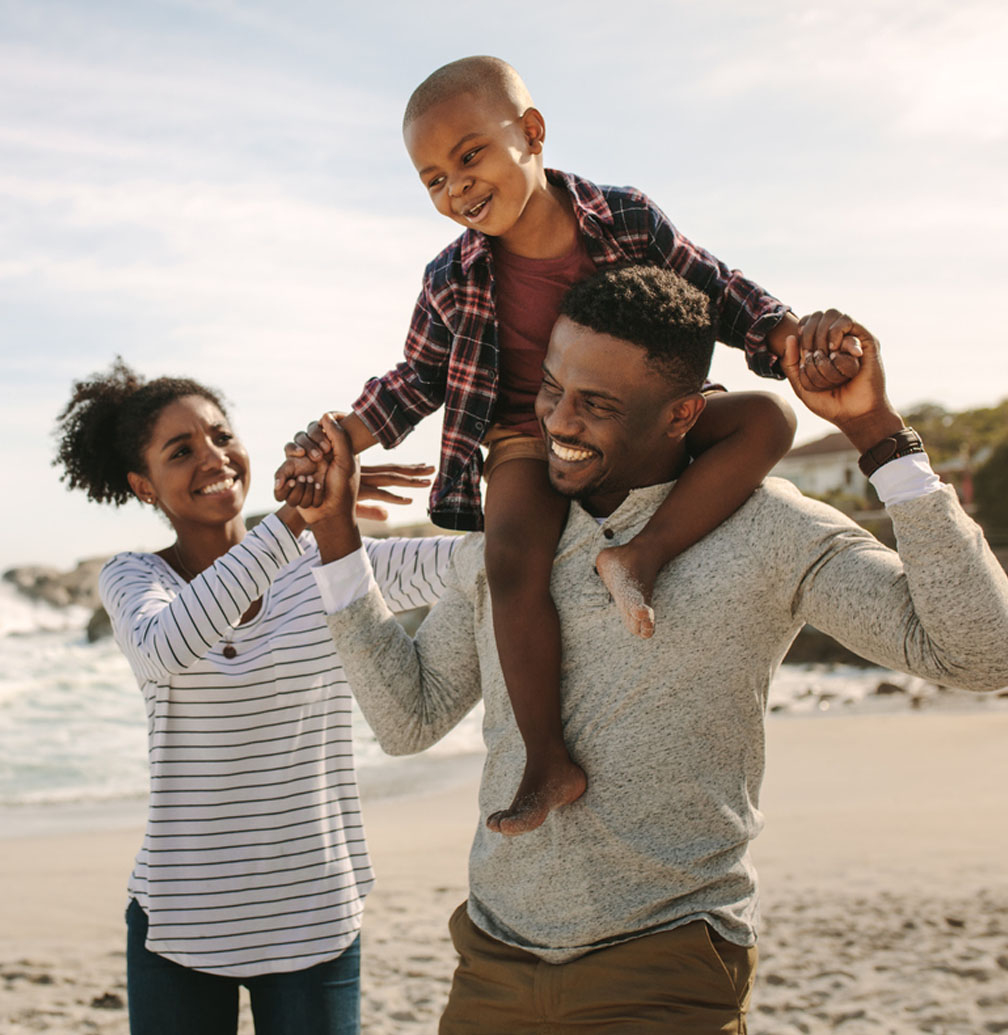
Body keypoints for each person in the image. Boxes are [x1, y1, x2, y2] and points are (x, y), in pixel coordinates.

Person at [303, 266, 1008, 1033]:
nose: (558, 424)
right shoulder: (516, 537)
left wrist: (877, 434)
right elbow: (409, 720)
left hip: (666, 969)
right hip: (493, 966)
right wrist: (337, 535)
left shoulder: (767, 528)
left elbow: (981, 653)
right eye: (550, 389)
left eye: (597, 405)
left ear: (682, 414)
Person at [278, 55, 863, 837]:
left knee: (768, 423)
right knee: (511, 557)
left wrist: (788, 336)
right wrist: (339, 435)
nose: (456, 189)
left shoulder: (624, 218)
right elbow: (415, 378)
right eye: (432, 181)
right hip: (526, 432)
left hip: (636, 421)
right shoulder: (450, 277)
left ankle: (642, 555)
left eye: (469, 156)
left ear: (531, 132)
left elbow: (718, 289)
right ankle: (547, 759)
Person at [53, 358, 455, 1035]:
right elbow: (165, 645)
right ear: (143, 486)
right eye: (181, 451)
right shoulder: (134, 578)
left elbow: (473, 566)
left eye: (220, 435)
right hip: (179, 922)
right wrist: (296, 519)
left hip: (315, 917)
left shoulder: (328, 561)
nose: (212, 456)